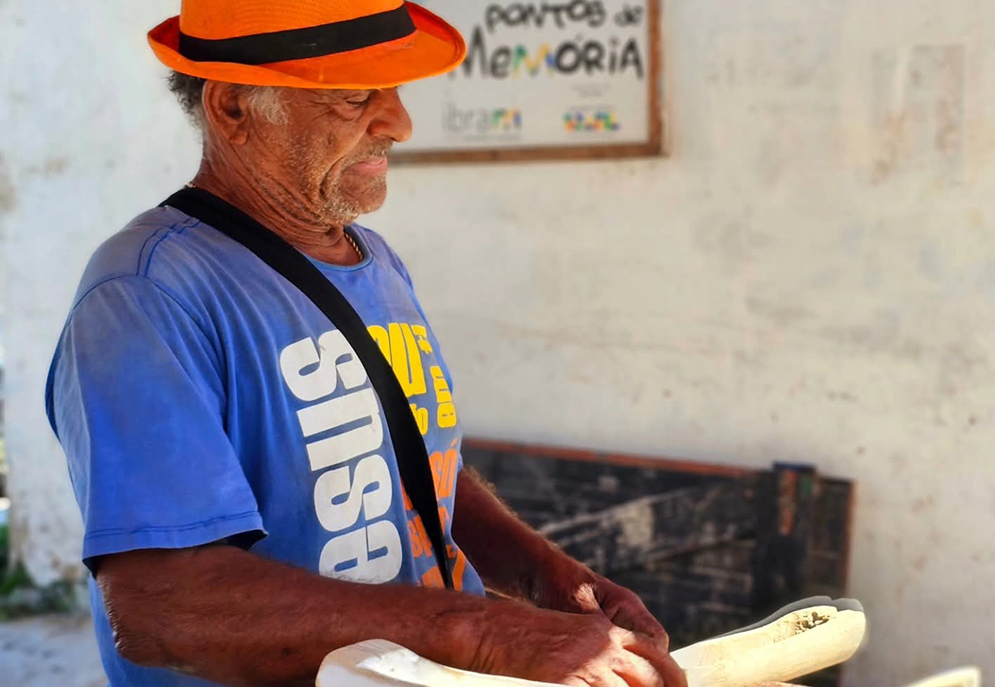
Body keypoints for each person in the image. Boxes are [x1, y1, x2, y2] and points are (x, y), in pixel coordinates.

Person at [44, 2, 687, 686]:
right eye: (356, 97)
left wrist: (548, 576)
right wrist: (480, 631)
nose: (401, 124)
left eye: (395, 91)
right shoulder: (145, 296)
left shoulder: (373, 259)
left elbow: (411, 471)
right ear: (233, 106)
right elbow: (162, 605)